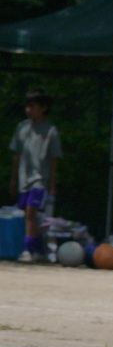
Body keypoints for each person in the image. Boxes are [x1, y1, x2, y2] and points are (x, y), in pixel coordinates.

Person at [9, 88, 62, 264]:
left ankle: (28, 250)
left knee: (31, 213)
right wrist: (14, 179)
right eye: (27, 106)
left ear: (43, 108)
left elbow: (53, 160)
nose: (28, 109)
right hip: (23, 179)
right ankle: (40, 250)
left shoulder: (51, 131)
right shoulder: (21, 128)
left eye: (33, 106)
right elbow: (16, 155)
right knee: (28, 216)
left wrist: (52, 184)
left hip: (40, 180)